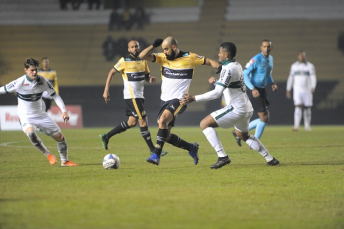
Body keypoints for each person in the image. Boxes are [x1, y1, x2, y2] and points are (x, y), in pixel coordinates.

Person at [180, 42, 280, 169]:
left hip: (237, 109)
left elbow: (217, 94)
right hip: (246, 108)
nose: (218, 54)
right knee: (243, 136)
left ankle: (222, 156)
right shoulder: (236, 65)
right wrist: (216, 82)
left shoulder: (228, 69)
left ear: (226, 54)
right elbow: (230, 86)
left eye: (220, 52)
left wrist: (193, 98)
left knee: (204, 124)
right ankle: (270, 159)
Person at [139, 36, 220, 166]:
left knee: (163, 120)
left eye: (166, 49)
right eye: (163, 49)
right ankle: (191, 147)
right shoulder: (162, 57)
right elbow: (142, 56)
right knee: (166, 134)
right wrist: (153, 46)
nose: (164, 51)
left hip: (180, 100)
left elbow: (209, 61)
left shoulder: (190, 57)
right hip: (164, 100)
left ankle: (156, 155)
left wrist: (221, 69)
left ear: (174, 47)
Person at [0, 58, 77, 166]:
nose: (35, 72)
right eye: (32, 70)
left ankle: (65, 161)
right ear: (25, 70)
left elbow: (55, 96)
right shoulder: (19, 83)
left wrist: (64, 111)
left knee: (60, 138)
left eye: (36, 69)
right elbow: (2, 89)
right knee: (31, 133)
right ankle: (48, 154)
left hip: (41, 115)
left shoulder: (43, 81)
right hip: (25, 116)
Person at [100, 40, 167, 156]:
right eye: (132, 47)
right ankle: (154, 150)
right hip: (132, 97)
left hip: (139, 96)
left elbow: (146, 76)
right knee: (143, 121)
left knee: (131, 122)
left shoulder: (143, 61)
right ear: (129, 49)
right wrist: (106, 91)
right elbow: (111, 73)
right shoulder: (124, 61)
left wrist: (150, 79)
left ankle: (106, 136)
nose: (135, 48)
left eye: (136, 46)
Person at [232, 39, 278, 147]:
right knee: (263, 118)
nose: (266, 49)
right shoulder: (256, 59)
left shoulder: (270, 59)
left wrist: (272, 83)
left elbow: (268, 74)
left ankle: (238, 133)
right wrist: (252, 89)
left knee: (266, 118)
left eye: (268, 47)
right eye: (264, 46)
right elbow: (244, 74)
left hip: (261, 89)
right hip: (254, 89)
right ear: (261, 47)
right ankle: (255, 142)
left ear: (271, 48)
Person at [286, 50, 316, 131]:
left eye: (303, 56)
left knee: (307, 107)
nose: (302, 57)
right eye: (300, 55)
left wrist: (313, 86)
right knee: (298, 106)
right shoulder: (294, 66)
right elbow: (291, 78)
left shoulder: (310, 66)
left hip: (307, 90)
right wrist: (288, 89)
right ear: (298, 56)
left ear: (305, 56)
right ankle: (296, 126)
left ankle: (307, 126)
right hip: (297, 90)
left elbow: (313, 77)